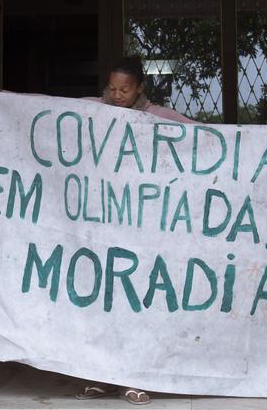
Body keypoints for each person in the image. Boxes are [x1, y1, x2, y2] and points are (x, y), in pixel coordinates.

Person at [75, 56, 194, 405]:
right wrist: (5, 95)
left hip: (144, 233)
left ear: (140, 87)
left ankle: (135, 376)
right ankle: (102, 376)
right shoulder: (93, 110)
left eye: (124, 89)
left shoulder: (160, 118)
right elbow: (45, 109)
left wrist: (259, 138)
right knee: (101, 302)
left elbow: (204, 134)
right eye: (111, 88)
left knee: (137, 302)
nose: (116, 95)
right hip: (101, 229)